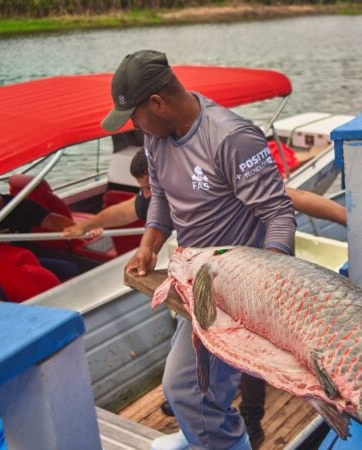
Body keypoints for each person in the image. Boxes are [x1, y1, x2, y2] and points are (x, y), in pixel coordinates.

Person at [102, 50, 296, 450]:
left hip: (230, 287)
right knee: (201, 389)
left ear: (157, 102)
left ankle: (219, 439)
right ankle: (200, 434)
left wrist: (265, 282)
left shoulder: (231, 138)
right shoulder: (155, 139)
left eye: (134, 116)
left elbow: (279, 214)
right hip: (186, 274)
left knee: (188, 389)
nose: (133, 127)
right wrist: (148, 243)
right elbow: (161, 198)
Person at [63, 149, 349, 238]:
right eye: (145, 189)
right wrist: (85, 226)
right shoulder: (156, 198)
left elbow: (295, 197)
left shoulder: (221, 183)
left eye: (152, 187)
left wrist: (350, 219)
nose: (149, 196)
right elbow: (122, 211)